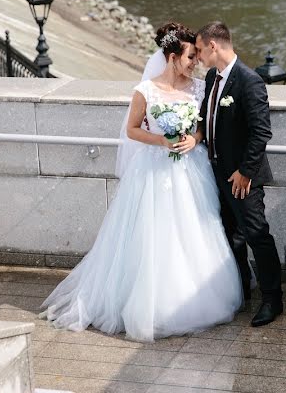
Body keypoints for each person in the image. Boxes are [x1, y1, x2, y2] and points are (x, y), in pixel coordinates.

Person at [39, 22, 242, 342]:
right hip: (153, 171)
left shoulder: (199, 88)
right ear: (173, 58)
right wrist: (162, 142)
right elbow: (132, 130)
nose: (196, 63)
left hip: (191, 171)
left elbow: (203, 125)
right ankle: (152, 304)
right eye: (190, 57)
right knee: (155, 234)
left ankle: (195, 294)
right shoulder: (145, 91)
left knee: (193, 229)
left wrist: (194, 138)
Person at [195, 22, 284, 327]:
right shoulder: (211, 77)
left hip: (243, 177)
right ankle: (241, 291)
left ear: (213, 46)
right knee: (230, 236)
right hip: (217, 172)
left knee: (257, 234)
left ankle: (273, 299)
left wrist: (245, 173)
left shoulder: (249, 81)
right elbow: (208, 117)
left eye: (198, 49)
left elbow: (261, 132)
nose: (197, 56)